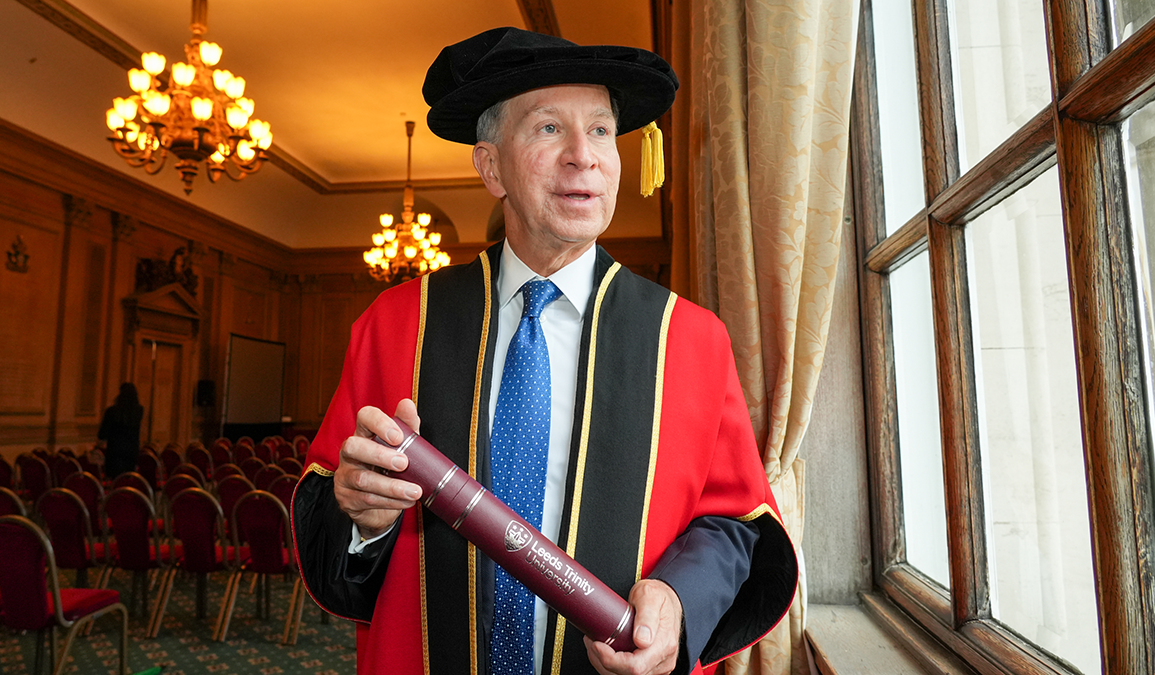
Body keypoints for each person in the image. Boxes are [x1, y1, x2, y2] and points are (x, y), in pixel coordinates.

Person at [292, 27, 797, 675]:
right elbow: (332, 510)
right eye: (549, 129)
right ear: (490, 166)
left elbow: (735, 523)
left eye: (601, 131)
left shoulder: (687, 337)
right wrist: (361, 516)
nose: (583, 156)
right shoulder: (395, 325)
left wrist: (676, 597)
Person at [98, 382, 143, 478]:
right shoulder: (139, 411)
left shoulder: (111, 412)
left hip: (114, 453)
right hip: (131, 453)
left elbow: (102, 434)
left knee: (114, 481)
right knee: (128, 480)